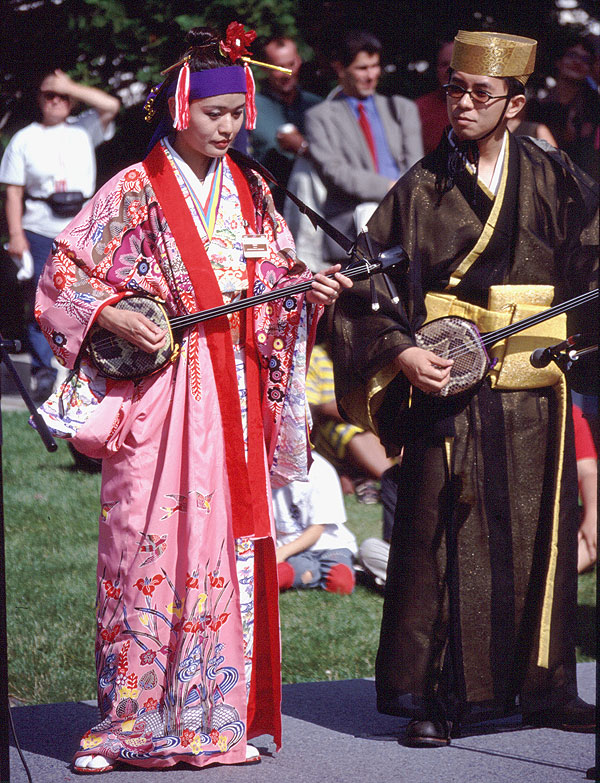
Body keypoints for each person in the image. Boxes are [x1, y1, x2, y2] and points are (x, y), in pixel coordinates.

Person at [34, 24, 350, 773]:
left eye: (237, 114)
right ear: (181, 108)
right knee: (142, 546)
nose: (229, 127)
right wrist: (114, 313)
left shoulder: (253, 188)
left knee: (220, 550)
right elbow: (65, 275)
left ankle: (211, 718)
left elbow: (273, 274)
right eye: (215, 114)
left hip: (232, 392)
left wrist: (307, 291)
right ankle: (127, 723)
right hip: (161, 394)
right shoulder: (134, 188)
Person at [331, 30, 598, 748]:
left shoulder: (554, 176)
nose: (463, 103)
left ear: (514, 103)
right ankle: (437, 695)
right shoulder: (422, 186)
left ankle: (544, 686)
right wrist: (401, 349)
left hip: (535, 390)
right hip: (452, 387)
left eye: (481, 92)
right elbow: (364, 280)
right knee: (442, 540)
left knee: (540, 539)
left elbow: (591, 259)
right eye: (454, 88)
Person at [0, 69, 119, 401]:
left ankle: (83, 368)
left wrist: (69, 86)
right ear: (40, 101)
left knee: (87, 299)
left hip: (80, 227)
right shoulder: (25, 138)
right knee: (41, 301)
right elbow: (13, 193)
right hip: (38, 227)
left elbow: (111, 105)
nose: (56, 101)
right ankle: (43, 373)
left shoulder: (83, 130)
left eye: (62, 97)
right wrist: (16, 235)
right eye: (50, 95)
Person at [305, 30, 423, 262]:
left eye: (375, 66)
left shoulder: (401, 109)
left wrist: (402, 194)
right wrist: (391, 187)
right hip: (353, 226)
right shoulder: (320, 117)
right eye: (362, 68)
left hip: (406, 214)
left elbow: (416, 164)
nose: (371, 75)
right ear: (340, 68)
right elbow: (336, 172)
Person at [306, 338, 393, 501]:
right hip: (331, 428)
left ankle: (367, 477)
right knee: (351, 430)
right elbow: (308, 408)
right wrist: (334, 409)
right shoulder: (316, 356)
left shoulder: (365, 359)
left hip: (368, 422)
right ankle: (393, 481)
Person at [250, 36, 320, 210]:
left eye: (291, 64)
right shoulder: (250, 109)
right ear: (265, 67)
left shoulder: (318, 106)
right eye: (279, 67)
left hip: (319, 204)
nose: (287, 73)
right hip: (272, 207)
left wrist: (301, 146)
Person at [273, 452, 357, 594]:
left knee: (341, 583)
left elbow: (317, 528)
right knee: (279, 577)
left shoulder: (320, 468)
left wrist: (281, 553)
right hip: (291, 549)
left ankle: (313, 572)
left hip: (329, 545)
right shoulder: (265, 467)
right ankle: (311, 573)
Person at [528, 36, 600, 179]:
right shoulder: (537, 106)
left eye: (585, 60)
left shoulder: (595, 106)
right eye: (572, 55)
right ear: (558, 61)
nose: (577, 62)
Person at [416, 39, 454, 154]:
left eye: (455, 64)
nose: (449, 70)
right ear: (437, 69)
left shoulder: (483, 106)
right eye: (444, 64)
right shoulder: (418, 109)